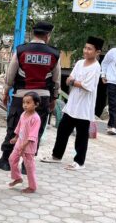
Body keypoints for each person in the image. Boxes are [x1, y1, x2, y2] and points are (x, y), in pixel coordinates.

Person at [0, 21, 60, 171]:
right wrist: (54, 98)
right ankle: (25, 166)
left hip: (21, 97)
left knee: (14, 128)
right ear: (47, 35)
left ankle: (5, 160)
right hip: (42, 98)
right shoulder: (54, 53)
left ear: (33, 33)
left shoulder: (21, 50)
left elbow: (10, 73)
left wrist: (6, 91)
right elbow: (56, 79)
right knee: (36, 131)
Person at [41, 36, 103, 171]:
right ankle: (56, 156)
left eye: (90, 49)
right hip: (72, 105)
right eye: (85, 48)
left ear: (97, 52)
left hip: (84, 107)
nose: (86, 51)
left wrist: (74, 82)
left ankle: (79, 161)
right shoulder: (80, 63)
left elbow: (88, 86)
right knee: (62, 130)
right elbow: (69, 78)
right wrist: (74, 82)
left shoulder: (96, 67)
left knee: (81, 136)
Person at [7, 92, 41, 193]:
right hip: (19, 144)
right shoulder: (23, 114)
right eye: (24, 102)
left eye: (28, 102)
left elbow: (32, 135)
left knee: (29, 167)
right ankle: (17, 178)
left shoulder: (36, 118)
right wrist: (16, 137)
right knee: (12, 159)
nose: (25, 105)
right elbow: (19, 127)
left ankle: (32, 187)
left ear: (36, 104)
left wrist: (24, 145)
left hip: (28, 147)